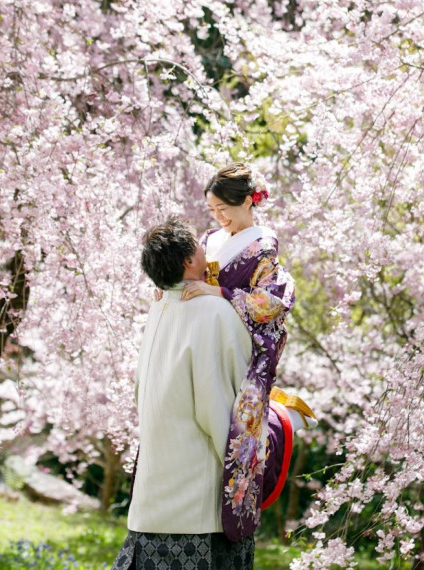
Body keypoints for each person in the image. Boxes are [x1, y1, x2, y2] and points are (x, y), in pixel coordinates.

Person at [181, 163, 317, 541]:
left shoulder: (263, 247)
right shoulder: (209, 238)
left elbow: (271, 301)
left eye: (224, 209)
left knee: (232, 425)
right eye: (212, 211)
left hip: (236, 344)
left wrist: (221, 292)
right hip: (197, 337)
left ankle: (232, 516)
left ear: (247, 201)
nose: (218, 217)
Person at [113, 216, 255, 569]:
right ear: (189, 261)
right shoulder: (215, 311)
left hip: (152, 501)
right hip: (197, 508)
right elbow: (223, 408)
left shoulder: (159, 307)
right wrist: (245, 473)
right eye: (197, 245)